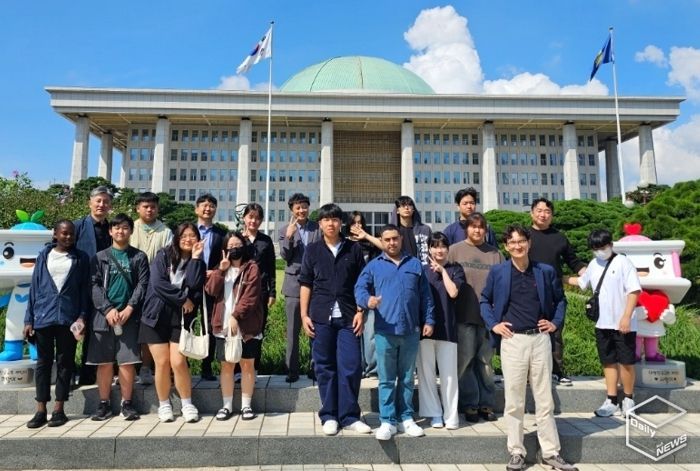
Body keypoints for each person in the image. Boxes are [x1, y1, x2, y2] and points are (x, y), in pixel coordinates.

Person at [480, 224, 577, 471]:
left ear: (529, 243)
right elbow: (485, 300)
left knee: (545, 399)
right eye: (512, 242)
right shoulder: (498, 272)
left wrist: (554, 323)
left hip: (540, 339)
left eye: (521, 241)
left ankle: (551, 452)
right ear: (506, 246)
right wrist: (494, 325)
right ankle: (516, 451)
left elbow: (560, 301)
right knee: (514, 400)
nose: (517, 246)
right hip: (513, 341)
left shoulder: (544, 271)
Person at [355, 224, 435, 441]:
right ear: (382, 241)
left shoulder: (415, 264)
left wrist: (429, 320)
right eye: (387, 239)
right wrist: (367, 300)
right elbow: (360, 288)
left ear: (401, 239)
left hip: (410, 330)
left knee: (407, 378)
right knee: (387, 379)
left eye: (395, 239)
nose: (391, 243)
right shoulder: (374, 266)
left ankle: (406, 418)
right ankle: (387, 420)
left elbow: (426, 296)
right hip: (385, 331)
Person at [299, 203, 370, 436]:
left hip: (349, 317)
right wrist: (304, 315)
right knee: (324, 367)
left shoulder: (353, 249)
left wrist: (361, 311)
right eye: (326, 220)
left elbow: (362, 283)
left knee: (351, 365)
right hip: (321, 316)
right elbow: (306, 283)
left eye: (335, 219)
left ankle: (349, 416)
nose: (331, 223)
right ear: (320, 224)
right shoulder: (312, 250)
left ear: (341, 223)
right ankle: (329, 415)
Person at [566, 229, 641, 418]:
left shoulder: (623, 262)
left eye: (603, 246)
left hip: (623, 324)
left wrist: (626, 316)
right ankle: (611, 399)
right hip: (602, 323)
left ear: (611, 245)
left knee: (626, 362)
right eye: (596, 248)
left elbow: (634, 291)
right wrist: (558, 277)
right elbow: (582, 282)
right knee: (608, 361)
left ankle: (629, 399)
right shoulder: (593, 264)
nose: (600, 251)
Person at [23, 220, 90, 428]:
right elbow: (34, 288)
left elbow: (85, 290)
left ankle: (59, 409)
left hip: (69, 318)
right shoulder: (44, 256)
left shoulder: (81, 258)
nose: (68, 237)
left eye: (71, 234)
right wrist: (28, 319)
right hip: (43, 315)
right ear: (55, 234)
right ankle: (40, 409)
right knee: (43, 363)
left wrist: (82, 316)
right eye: (64, 233)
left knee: (65, 362)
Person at [138, 223, 206, 423]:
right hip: (155, 315)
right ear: (176, 237)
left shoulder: (198, 262)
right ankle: (164, 404)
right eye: (184, 236)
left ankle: (187, 404)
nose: (188, 239)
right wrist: (182, 299)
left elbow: (194, 284)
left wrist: (195, 258)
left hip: (180, 318)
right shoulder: (163, 255)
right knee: (162, 363)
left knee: (178, 362)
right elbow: (158, 283)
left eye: (192, 236)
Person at [88, 213, 150, 421]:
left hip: (129, 317)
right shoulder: (100, 257)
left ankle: (127, 403)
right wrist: (107, 309)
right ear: (110, 231)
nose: (120, 231)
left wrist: (130, 308)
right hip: (103, 317)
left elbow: (142, 285)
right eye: (116, 227)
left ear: (131, 231)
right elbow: (94, 285)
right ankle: (103, 403)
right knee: (104, 362)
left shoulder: (139, 257)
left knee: (127, 362)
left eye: (124, 227)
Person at [447, 212, 502, 423]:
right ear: (466, 229)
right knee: (465, 360)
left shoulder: (495, 253)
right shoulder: (455, 250)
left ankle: (486, 403)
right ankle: (469, 403)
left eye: (481, 227)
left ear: (485, 230)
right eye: (473, 226)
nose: (477, 230)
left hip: (489, 318)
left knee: (485, 362)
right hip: (464, 314)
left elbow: (503, 282)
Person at [205, 231, 264, 421]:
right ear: (224, 249)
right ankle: (227, 405)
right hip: (222, 325)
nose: (234, 249)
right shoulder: (221, 267)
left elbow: (251, 297)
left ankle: (246, 405)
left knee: (247, 364)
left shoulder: (252, 268)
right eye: (230, 246)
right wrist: (220, 271)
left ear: (244, 247)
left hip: (247, 326)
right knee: (227, 365)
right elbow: (211, 290)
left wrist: (235, 316)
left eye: (238, 245)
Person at [529, 197, 587, 386]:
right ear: (531, 213)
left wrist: (590, 274)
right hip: (529, 293)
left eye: (547, 212)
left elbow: (573, 261)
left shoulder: (559, 237)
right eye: (539, 211)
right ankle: (530, 373)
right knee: (530, 334)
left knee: (555, 333)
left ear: (552, 215)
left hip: (554, 293)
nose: (543, 215)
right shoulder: (525, 236)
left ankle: (557, 371)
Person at [416, 232, 464, 429]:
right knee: (426, 374)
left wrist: (443, 271)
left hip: (447, 328)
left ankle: (451, 416)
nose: (439, 250)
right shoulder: (421, 270)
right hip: (425, 328)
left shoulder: (455, 269)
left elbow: (453, 292)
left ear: (448, 248)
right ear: (429, 249)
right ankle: (434, 413)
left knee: (449, 375)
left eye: (443, 246)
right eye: (435, 246)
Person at [130, 191, 173, 386]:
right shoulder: (129, 228)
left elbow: (169, 261)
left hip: (155, 289)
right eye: (145, 206)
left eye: (153, 206)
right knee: (129, 329)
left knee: (149, 327)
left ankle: (146, 368)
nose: (149, 210)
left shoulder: (165, 232)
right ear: (137, 208)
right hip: (130, 286)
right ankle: (127, 368)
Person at [73, 185, 114, 385]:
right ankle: (70, 373)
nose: (101, 205)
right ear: (90, 202)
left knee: (99, 330)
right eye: (98, 200)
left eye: (106, 201)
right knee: (76, 328)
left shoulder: (113, 228)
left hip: (106, 286)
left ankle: (92, 372)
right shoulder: (78, 226)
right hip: (80, 285)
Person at [278, 193, 319, 383]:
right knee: (293, 330)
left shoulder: (317, 228)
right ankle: (291, 370)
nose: (301, 210)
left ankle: (315, 367)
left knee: (315, 328)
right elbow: (285, 256)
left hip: (316, 284)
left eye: (304, 206)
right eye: (298, 207)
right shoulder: (284, 229)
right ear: (292, 210)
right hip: (294, 285)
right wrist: (289, 236)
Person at [240, 203, 276, 373]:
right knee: (239, 330)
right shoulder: (238, 239)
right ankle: (238, 370)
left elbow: (271, 268)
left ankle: (254, 368)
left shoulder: (265, 240)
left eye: (257, 218)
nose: (253, 221)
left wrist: (272, 292)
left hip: (261, 292)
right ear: (244, 218)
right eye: (250, 217)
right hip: (240, 292)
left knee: (258, 330)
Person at [344, 211, 380, 378]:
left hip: (369, 294)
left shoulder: (370, 245)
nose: (357, 226)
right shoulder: (344, 245)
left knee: (370, 333)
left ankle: (372, 369)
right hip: (349, 296)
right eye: (354, 223)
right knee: (353, 332)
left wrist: (366, 236)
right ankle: (357, 367)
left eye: (360, 223)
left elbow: (384, 246)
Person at [194, 193, 226, 382]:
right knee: (185, 323)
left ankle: (206, 366)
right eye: (204, 205)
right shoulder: (188, 231)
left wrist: (214, 271)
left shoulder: (221, 234)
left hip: (211, 285)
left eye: (212, 206)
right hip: (190, 284)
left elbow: (224, 258)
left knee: (209, 325)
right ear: (196, 209)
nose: (208, 209)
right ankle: (182, 365)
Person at [389, 196, 432, 265]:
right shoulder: (393, 231)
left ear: (413, 209)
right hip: (400, 267)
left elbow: (432, 249)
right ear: (397, 210)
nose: (406, 208)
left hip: (422, 267)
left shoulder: (425, 230)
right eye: (403, 205)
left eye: (409, 205)